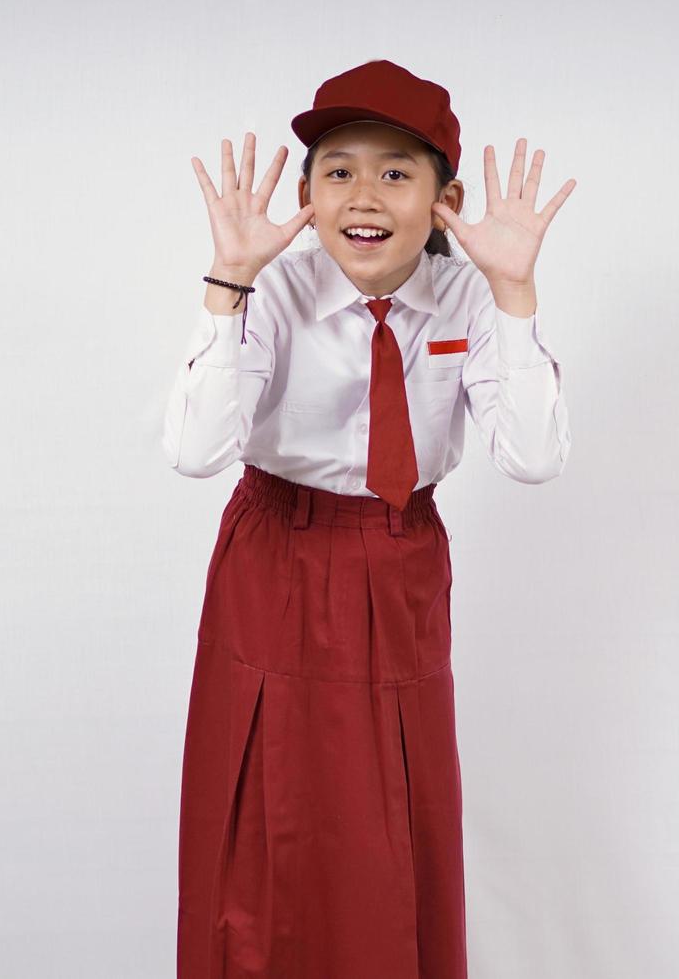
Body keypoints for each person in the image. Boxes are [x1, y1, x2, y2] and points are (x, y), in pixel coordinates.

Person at [162, 59, 575, 978]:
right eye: (338, 170)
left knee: (396, 817)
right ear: (307, 193)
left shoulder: (468, 297)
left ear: (445, 197)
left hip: (400, 564)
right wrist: (227, 281)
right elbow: (194, 451)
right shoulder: (274, 291)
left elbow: (534, 458)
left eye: (397, 172)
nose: (365, 195)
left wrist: (514, 294)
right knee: (263, 829)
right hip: (277, 555)